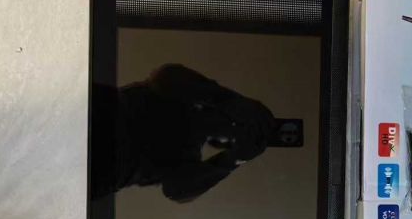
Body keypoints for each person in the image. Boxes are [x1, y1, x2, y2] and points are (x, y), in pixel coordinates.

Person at [92, 64, 275, 202]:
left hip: (100, 168)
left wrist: (233, 159)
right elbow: (166, 76)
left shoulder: (186, 157)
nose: (234, 128)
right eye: (241, 123)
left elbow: (177, 190)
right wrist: (230, 100)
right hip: (95, 117)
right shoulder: (182, 96)